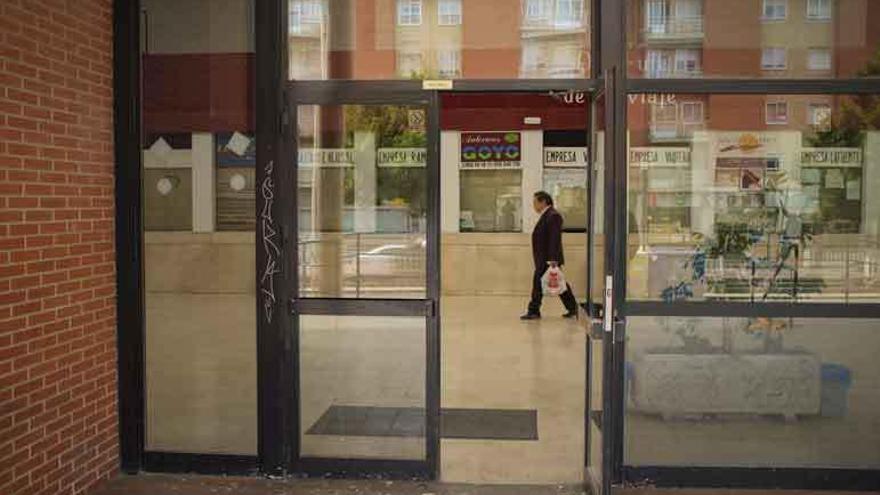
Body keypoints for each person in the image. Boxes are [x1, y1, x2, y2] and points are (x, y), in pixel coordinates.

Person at [521, 191, 578, 320]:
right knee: (559, 283)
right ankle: (573, 308)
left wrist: (553, 260)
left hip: (548, 259)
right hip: (544, 258)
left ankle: (534, 310)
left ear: (543, 202)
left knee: (539, 283)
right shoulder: (547, 215)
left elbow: (554, 239)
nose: (534, 205)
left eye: (535, 202)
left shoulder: (553, 216)